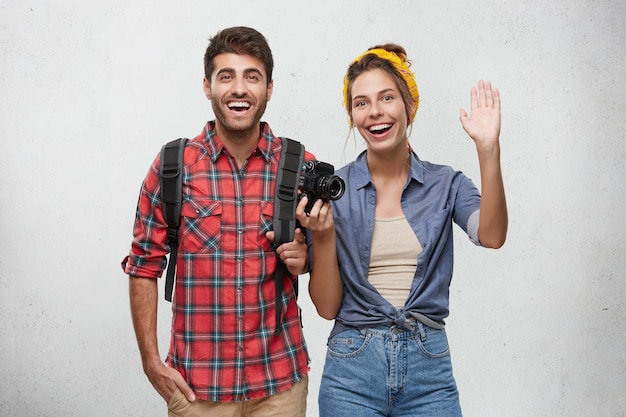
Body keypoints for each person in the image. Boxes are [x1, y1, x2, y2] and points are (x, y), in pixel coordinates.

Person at [296, 44, 508, 416]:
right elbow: (327, 308)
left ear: (410, 105)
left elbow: (491, 235)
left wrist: (488, 149)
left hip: (429, 369)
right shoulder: (333, 191)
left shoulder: (447, 184)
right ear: (352, 116)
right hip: (352, 371)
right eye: (361, 103)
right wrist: (325, 235)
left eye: (387, 97)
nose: (374, 111)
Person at [121, 26, 313, 417]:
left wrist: (308, 255)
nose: (239, 89)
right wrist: (150, 361)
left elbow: (326, 261)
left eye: (252, 76)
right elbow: (143, 265)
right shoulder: (173, 166)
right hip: (197, 389)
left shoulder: (300, 166)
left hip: (280, 386)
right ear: (207, 86)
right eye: (226, 76)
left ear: (270, 89)